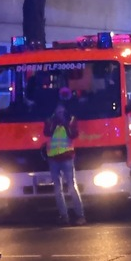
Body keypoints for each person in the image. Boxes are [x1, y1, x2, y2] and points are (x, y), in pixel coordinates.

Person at [44, 88, 85, 225]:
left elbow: (74, 135)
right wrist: (54, 122)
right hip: (54, 159)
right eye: (58, 111)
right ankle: (64, 216)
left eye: (61, 112)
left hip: (67, 158)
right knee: (57, 189)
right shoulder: (51, 121)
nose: (59, 113)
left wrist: (66, 124)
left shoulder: (71, 121)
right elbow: (46, 133)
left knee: (72, 187)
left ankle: (80, 215)